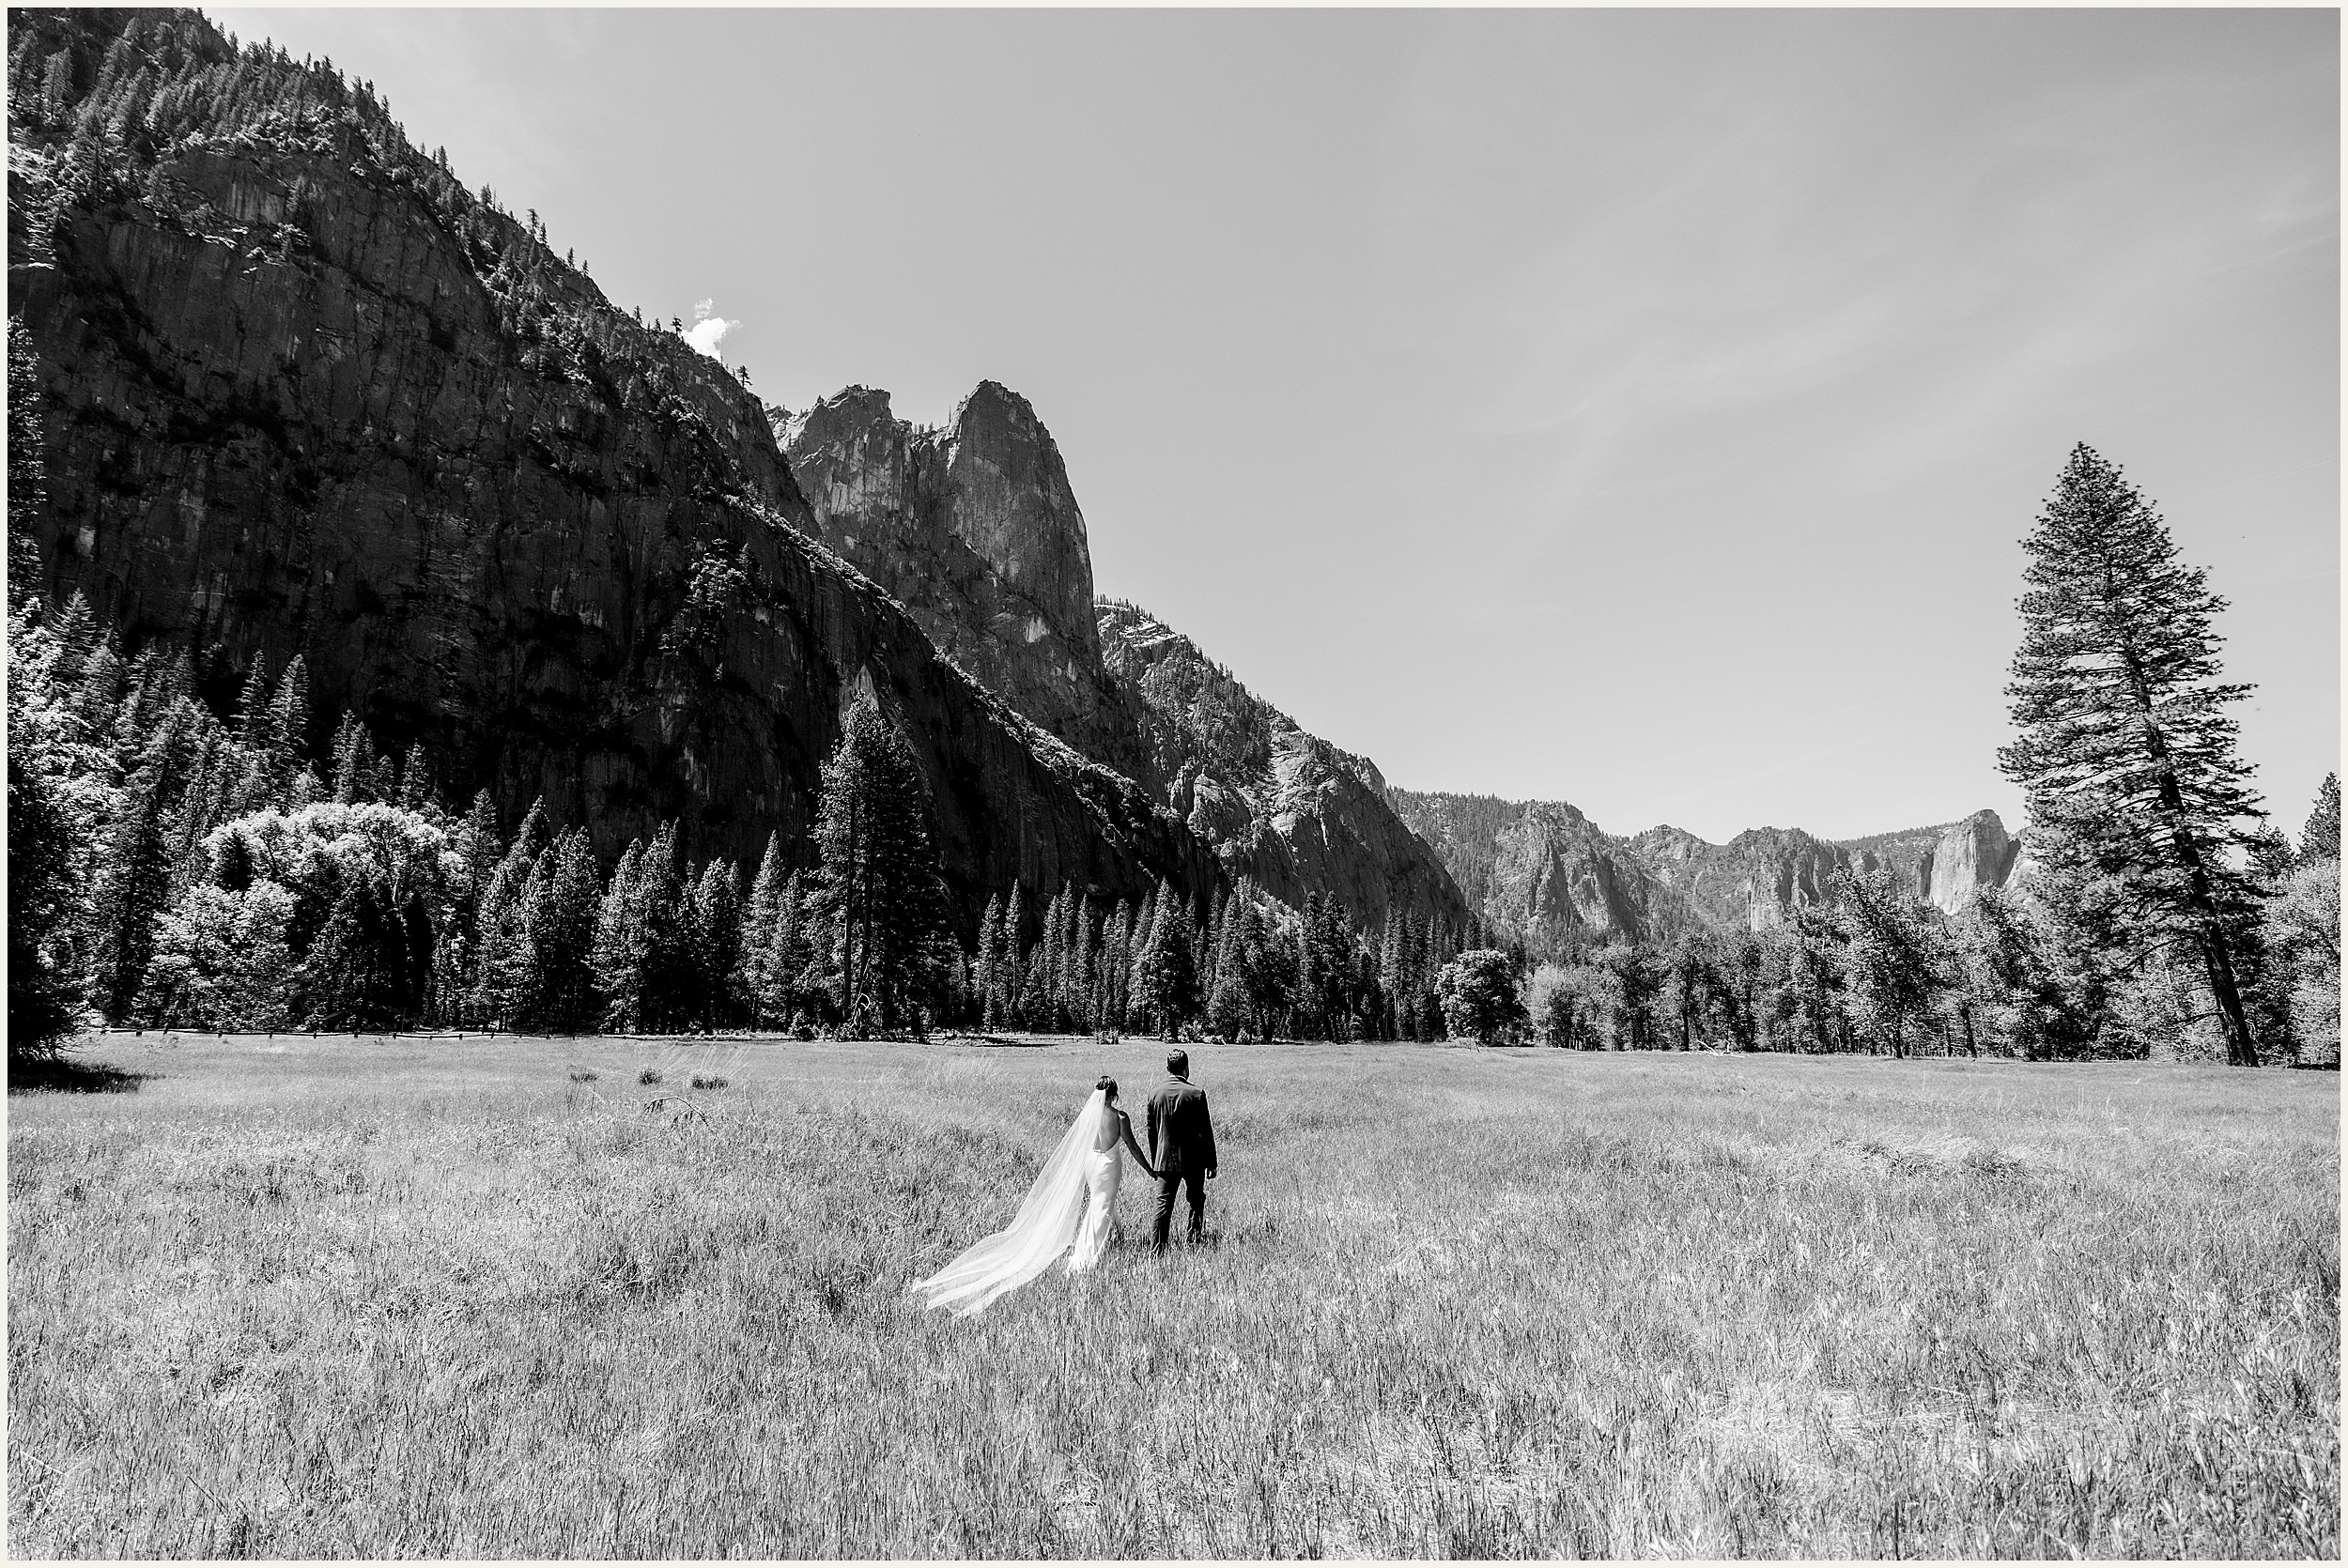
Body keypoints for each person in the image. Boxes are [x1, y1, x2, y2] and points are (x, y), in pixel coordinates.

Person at [908, 1076, 1158, 1316]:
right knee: (1102, 1208)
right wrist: (1149, 1169)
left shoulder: (1088, 1116)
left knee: (1099, 1204)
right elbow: (1133, 1146)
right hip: (1108, 1165)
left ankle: (1114, 1238)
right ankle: (1086, 1258)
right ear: (1113, 1095)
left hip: (1090, 1164)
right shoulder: (1120, 1117)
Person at [1146, 1050, 1216, 1249]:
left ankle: (1157, 1250)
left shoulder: (1154, 1094)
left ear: (1167, 1068)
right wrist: (1211, 1162)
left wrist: (1155, 1162)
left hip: (1164, 1160)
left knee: (1162, 1207)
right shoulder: (1197, 1094)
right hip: (1193, 1159)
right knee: (1196, 1201)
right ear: (1187, 1068)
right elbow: (1206, 1131)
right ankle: (1193, 1242)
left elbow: (1152, 1133)